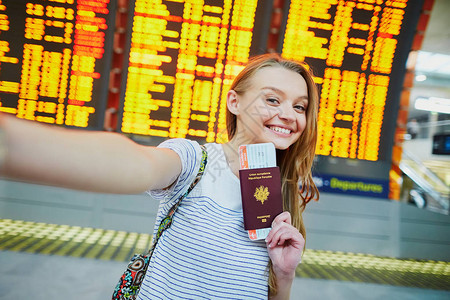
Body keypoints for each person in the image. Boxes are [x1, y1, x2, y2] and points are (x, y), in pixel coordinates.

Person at [0, 53, 319, 299]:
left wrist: (284, 273)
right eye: (272, 99)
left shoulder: (280, 191)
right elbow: (136, 162)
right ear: (234, 101)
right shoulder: (195, 161)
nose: (289, 115)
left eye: (300, 106)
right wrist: (10, 145)